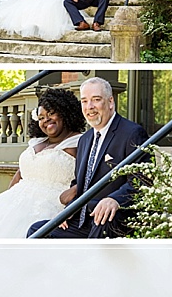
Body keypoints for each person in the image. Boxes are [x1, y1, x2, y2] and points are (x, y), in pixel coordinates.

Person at [0, 88, 84, 238]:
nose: (46, 120)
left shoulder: (79, 142)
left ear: (65, 112)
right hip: (12, 206)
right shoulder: (36, 142)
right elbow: (19, 176)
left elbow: (89, 178)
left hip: (49, 208)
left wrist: (70, 209)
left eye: (51, 113)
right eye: (40, 117)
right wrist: (4, 205)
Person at [27, 77, 148, 238]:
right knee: (37, 231)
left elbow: (142, 181)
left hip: (113, 218)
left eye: (96, 100)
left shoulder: (132, 133)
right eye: (84, 101)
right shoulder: (85, 139)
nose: (89, 107)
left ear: (110, 102)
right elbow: (79, 183)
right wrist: (69, 209)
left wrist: (115, 200)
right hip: (82, 220)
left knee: (101, 226)